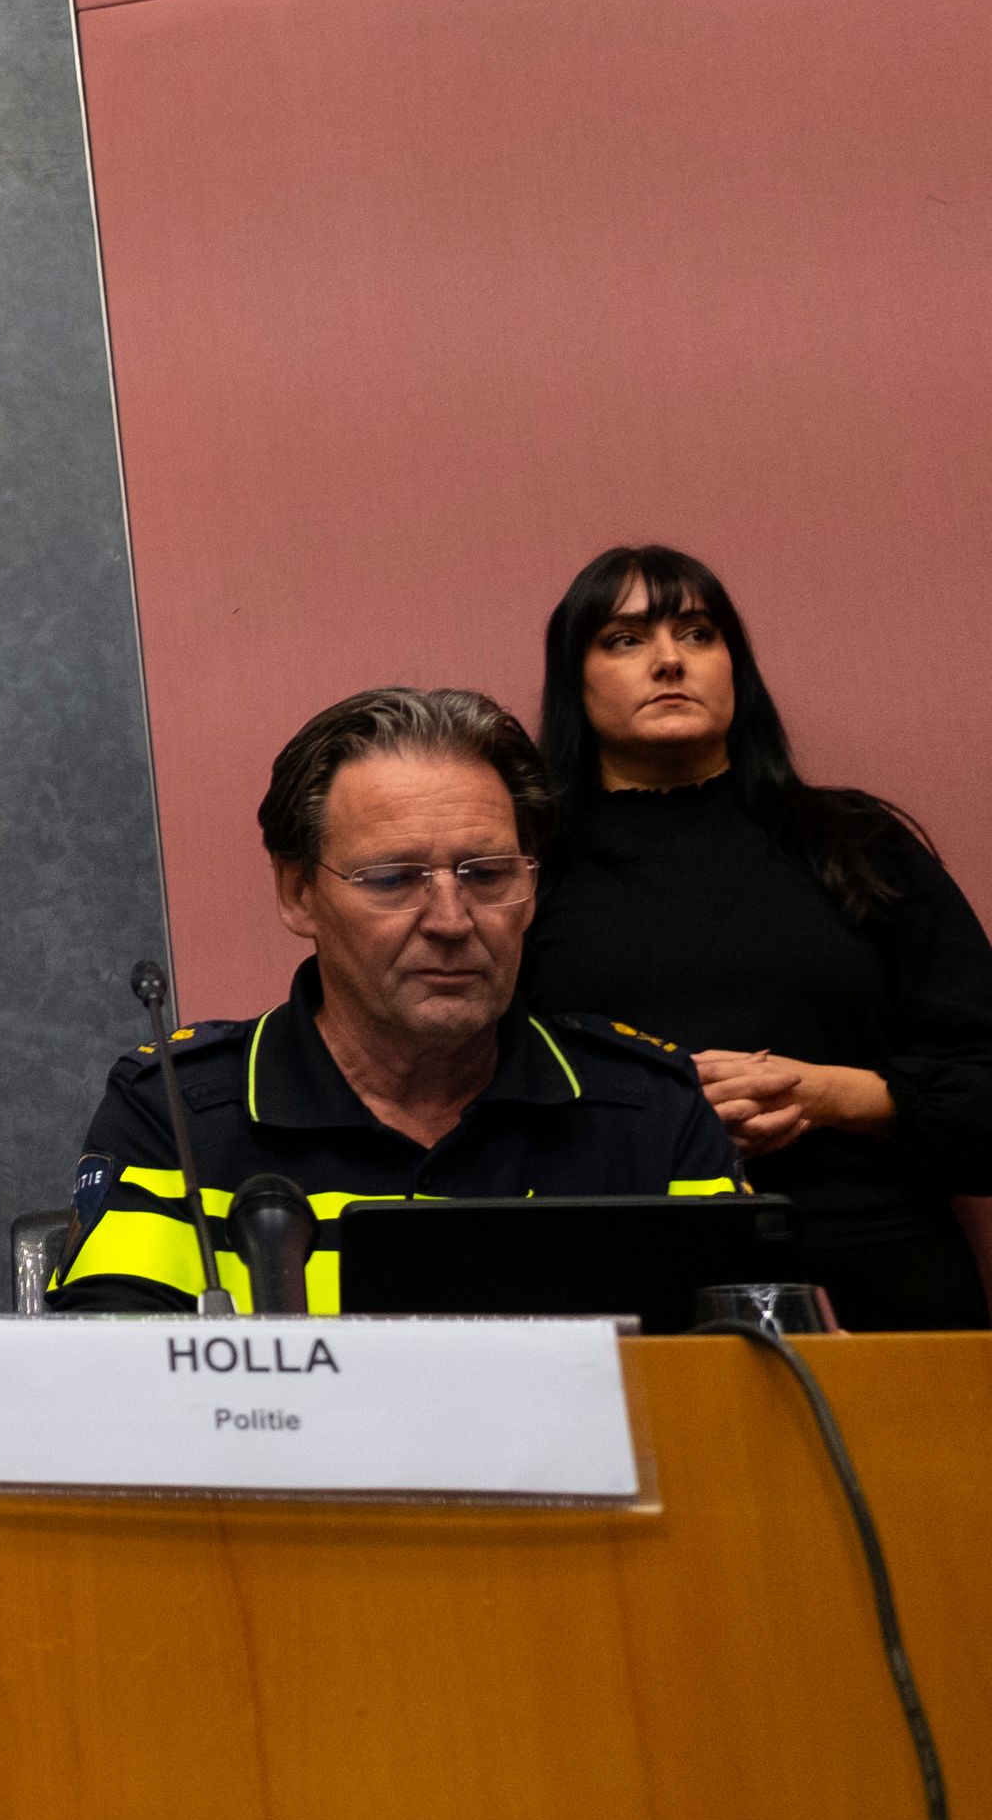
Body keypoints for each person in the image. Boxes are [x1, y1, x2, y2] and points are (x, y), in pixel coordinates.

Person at [52, 688, 742, 1314]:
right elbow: (107, 1406)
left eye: (486, 874)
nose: (451, 919)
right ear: (299, 894)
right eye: (393, 879)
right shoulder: (178, 1111)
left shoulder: (647, 1110)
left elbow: (745, 1399)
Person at [521, 545, 992, 1330]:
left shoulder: (857, 844)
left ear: (736, 666)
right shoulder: (526, 872)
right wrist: (662, 1119)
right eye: (626, 639)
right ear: (575, 678)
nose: (670, 660)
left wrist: (831, 1093)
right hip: (621, 1281)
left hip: (881, 1272)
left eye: (699, 633)